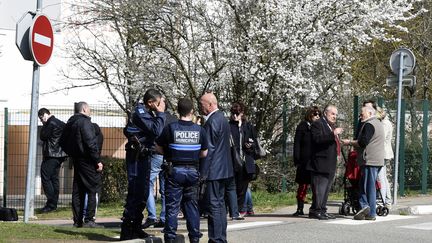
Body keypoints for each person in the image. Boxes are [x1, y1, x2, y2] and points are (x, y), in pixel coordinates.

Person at [156, 98, 208, 243]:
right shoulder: (199, 130)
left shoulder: (170, 128)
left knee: (172, 207)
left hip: (175, 171)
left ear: (178, 111)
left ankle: (170, 238)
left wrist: (169, 153)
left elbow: (158, 147)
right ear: (192, 111)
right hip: (192, 171)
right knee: (191, 205)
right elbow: (204, 153)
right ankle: (194, 238)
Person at [120, 89, 166, 240]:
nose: (161, 105)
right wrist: (161, 114)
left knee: (143, 192)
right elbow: (156, 130)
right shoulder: (140, 112)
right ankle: (127, 229)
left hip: (144, 155)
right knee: (135, 191)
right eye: (159, 103)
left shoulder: (147, 113)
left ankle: (136, 227)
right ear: (150, 102)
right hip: (136, 157)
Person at [61, 102, 103, 228]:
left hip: (77, 160)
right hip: (88, 160)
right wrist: (97, 160)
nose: (90, 111)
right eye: (89, 109)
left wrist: (73, 154)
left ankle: (77, 220)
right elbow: (90, 142)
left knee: (77, 190)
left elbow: (62, 142)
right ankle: (89, 220)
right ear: (84, 109)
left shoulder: (70, 123)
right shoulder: (85, 122)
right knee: (93, 188)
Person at [199, 92, 234, 243]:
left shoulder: (212, 121)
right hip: (225, 169)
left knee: (214, 206)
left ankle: (215, 239)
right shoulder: (223, 119)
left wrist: (203, 173)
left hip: (214, 171)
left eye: (202, 104)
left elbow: (209, 149)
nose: (201, 107)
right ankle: (220, 238)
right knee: (220, 206)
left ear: (210, 104)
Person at [343, 106, 385, 220]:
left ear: (370, 113)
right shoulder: (378, 123)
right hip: (377, 159)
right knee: (362, 185)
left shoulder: (369, 125)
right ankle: (365, 206)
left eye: (362, 113)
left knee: (368, 187)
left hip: (370, 160)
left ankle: (370, 212)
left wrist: (349, 142)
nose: (360, 115)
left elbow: (362, 142)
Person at [307, 105, 343, 220]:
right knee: (320, 189)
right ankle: (316, 210)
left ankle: (322, 209)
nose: (335, 117)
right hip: (320, 163)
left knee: (326, 189)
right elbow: (317, 139)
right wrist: (333, 134)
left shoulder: (330, 125)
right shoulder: (318, 124)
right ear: (326, 113)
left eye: (336, 115)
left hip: (330, 163)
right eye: (333, 114)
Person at [143, 110, 177, 229]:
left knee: (148, 183)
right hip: (169, 155)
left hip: (156, 152)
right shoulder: (173, 119)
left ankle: (152, 215)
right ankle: (164, 217)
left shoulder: (155, 118)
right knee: (165, 188)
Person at [228, 102, 258, 218]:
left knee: (243, 188)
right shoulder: (229, 126)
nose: (235, 116)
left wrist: (250, 144)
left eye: (237, 113)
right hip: (233, 161)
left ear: (242, 113)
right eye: (233, 113)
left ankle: (240, 209)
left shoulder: (248, 126)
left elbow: (254, 142)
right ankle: (234, 210)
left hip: (246, 161)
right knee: (232, 187)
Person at [292, 106, 321, 216]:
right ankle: (300, 208)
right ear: (309, 115)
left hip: (315, 161)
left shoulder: (319, 127)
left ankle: (315, 208)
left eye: (319, 114)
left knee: (315, 186)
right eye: (315, 114)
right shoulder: (302, 126)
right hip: (304, 161)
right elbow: (297, 144)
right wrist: (297, 159)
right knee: (303, 185)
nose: (317, 116)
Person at [38, 108, 67, 213]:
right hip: (59, 155)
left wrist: (44, 125)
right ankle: (53, 204)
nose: (41, 121)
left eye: (41, 118)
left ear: (46, 114)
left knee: (45, 177)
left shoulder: (50, 123)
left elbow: (42, 136)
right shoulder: (60, 123)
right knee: (54, 179)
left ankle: (51, 203)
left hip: (51, 155)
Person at [83, 122, 103, 220]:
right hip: (94, 164)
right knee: (93, 191)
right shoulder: (99, 137)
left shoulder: (87, 137)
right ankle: (91, 214)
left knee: (86, 190)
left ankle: (84, 213)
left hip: (86, 164)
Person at [377, 107, 393, 206]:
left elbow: (381, 138)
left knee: (380, 176)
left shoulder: (385, 124)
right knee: (383, 176)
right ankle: (387, 198)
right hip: (384, 152)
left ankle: (384, 198)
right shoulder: (385, 123)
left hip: (383, 152)